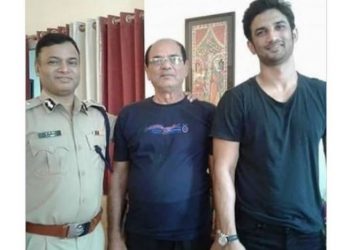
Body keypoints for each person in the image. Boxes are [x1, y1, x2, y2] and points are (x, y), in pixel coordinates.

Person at [210, 0, 326, 249]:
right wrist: (229, 237)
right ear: (251, 46)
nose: (272, 36)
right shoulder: (235, 100)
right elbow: (223, 170)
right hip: (253, 234)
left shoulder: (323, 94)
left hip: (310, 232)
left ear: (294, 34)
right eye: (261, 32)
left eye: (279, 27)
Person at [108, 38, 216, 250]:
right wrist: (114, 235)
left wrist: (223, 230)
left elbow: (219, 173)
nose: (166, 65)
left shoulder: (207, 113)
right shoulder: (129, 115)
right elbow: (119, 177)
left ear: (185, 67)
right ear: (147, 71)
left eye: (173, 59)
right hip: (142, 232)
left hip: (194, 232)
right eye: (157, 60)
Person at [26, 33, 115, 250]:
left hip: (94, 238)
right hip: (43, 241)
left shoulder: (99, 117)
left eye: (72, 62)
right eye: (53, 62)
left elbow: (142, 127)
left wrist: (180, 101)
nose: (65, 69)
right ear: (37, 68)